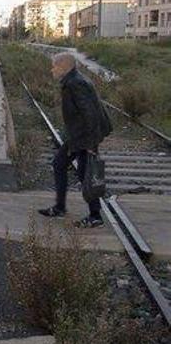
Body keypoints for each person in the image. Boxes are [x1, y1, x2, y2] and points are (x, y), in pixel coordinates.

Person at [38, 53, 112, 228]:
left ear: (64, 67)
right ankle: (60, 207)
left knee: (85, 174)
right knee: (59, 164)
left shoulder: (75, 84)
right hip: (78, 136)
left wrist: (92, 145)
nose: (52, 69)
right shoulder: (74, 80)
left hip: (85, 137)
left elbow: (91, 115)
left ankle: (95, 216)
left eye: (54, 66)